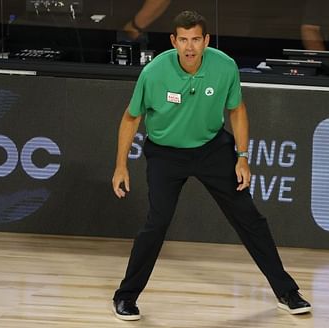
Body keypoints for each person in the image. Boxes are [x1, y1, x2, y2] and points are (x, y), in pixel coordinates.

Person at [111, 10, 312, 321]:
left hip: (211, 148)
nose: (189, 47)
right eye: (183, 40)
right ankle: (126, 297)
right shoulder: (153, 72)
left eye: (195, 40)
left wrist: (243, 157)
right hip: (165, 153)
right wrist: (120, 166)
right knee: (156, 223)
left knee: (250, 218)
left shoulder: (224, 66)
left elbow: (237, 110)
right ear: (173, 41)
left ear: (205, 40)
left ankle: (287, 292)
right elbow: (130, 118)